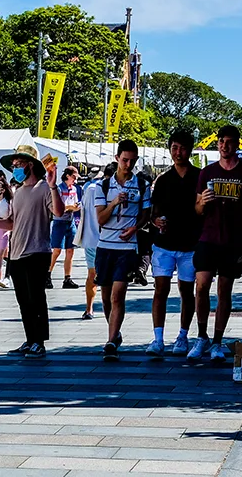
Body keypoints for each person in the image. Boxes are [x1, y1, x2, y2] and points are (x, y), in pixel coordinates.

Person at [0, 144, 66, 360]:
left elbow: (59, 211)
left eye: (18, 164)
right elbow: (13, 222)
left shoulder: (44, 188)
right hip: (16, 253)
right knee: (23, 300)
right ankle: (30, 339)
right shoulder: (17, 192)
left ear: (30, 165)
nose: (15, 168)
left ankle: (40, 342)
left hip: (37, 251)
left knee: (36, 298)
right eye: (14, 165)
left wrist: (54, 187)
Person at [189, 125, 242, 362]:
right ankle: (201, 336)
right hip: (208, 237)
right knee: (201, 285)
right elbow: (197, 208)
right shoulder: (207, 172)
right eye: (221, 141)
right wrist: (203, 203)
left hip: (233, 240)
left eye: (229, 142)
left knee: (224, 290)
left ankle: (217, 341)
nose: (224, 145)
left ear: (236, 144)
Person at [92, 140, 151, 362]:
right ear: (117, 158)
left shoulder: (142, 185)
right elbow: (100, 218)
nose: (128, 164)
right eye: (124, 160)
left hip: (127, 247)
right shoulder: (103, 186)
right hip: (105, 247)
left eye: (132, 161)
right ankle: (114, 333)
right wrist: (115, 202)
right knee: (106, 297)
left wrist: (135, 228)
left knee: (118, 294)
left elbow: (146, 214)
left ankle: (110, 342)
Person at [148, 132, 200, 358]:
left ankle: (182, 335)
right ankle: (158, 338)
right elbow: (153, 211)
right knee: (160, 289)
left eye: (183, 148)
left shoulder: (199, 176)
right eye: (174, 148)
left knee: (187, 291)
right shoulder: (163, 179)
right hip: (164, 243)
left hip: (190, 244)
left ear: (190, 150)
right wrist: (155, 220)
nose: (178, 153)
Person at [49, 167, 82, 290]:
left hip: (70, 221)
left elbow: (75, 203)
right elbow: (57, 206)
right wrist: (70, 207)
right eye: (73, 177)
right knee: (56, 250)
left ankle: (67, 277)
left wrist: (75, 207)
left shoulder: (73, 189)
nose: (75, 180)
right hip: (60, 221)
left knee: (70, 250)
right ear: (67, 176)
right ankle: (48, 274)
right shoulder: (58, 188)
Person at [75, 174, 102, 320]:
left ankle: (89, 308)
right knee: (109, 277)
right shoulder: (106, 188)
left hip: (90, 237)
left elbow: (82, 209)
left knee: (92, 274)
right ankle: (108, 307)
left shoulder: (89, 189)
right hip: (108, 239)